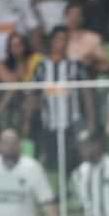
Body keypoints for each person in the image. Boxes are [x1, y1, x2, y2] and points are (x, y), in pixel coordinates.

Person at [31, 25, 94, 171]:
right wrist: (29, 119)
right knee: (51, 161)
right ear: (52, 41)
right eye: (59, 39)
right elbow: (34, 94)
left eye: (65, 39)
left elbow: (87, 93)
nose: (62, 42)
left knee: (78, 158)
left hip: (73, 121)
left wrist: (91, 120)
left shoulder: (75, 65)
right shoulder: (42, 67)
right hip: (49, 122)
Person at [64, 0, 109, 75]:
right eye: (71, 15)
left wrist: (93, 64)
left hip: (85, 79)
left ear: (82, 17)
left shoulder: (93, 38)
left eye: (77, 15)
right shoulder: (59, 38)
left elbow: (107, 66)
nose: (74, 18)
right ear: (65, 16)